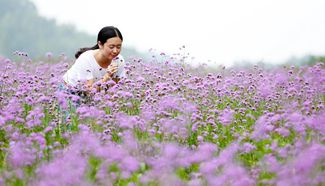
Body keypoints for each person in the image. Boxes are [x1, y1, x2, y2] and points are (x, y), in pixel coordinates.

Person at [62, 26, 126, 95]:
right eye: (111, 47)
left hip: (91, 95)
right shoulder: (86, 59)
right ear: (100, 44)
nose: (115, 51)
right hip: (69, 92)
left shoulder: (119, 61)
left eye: (118, 47)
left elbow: (114, 89)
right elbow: (89, 91)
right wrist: (107, 76)